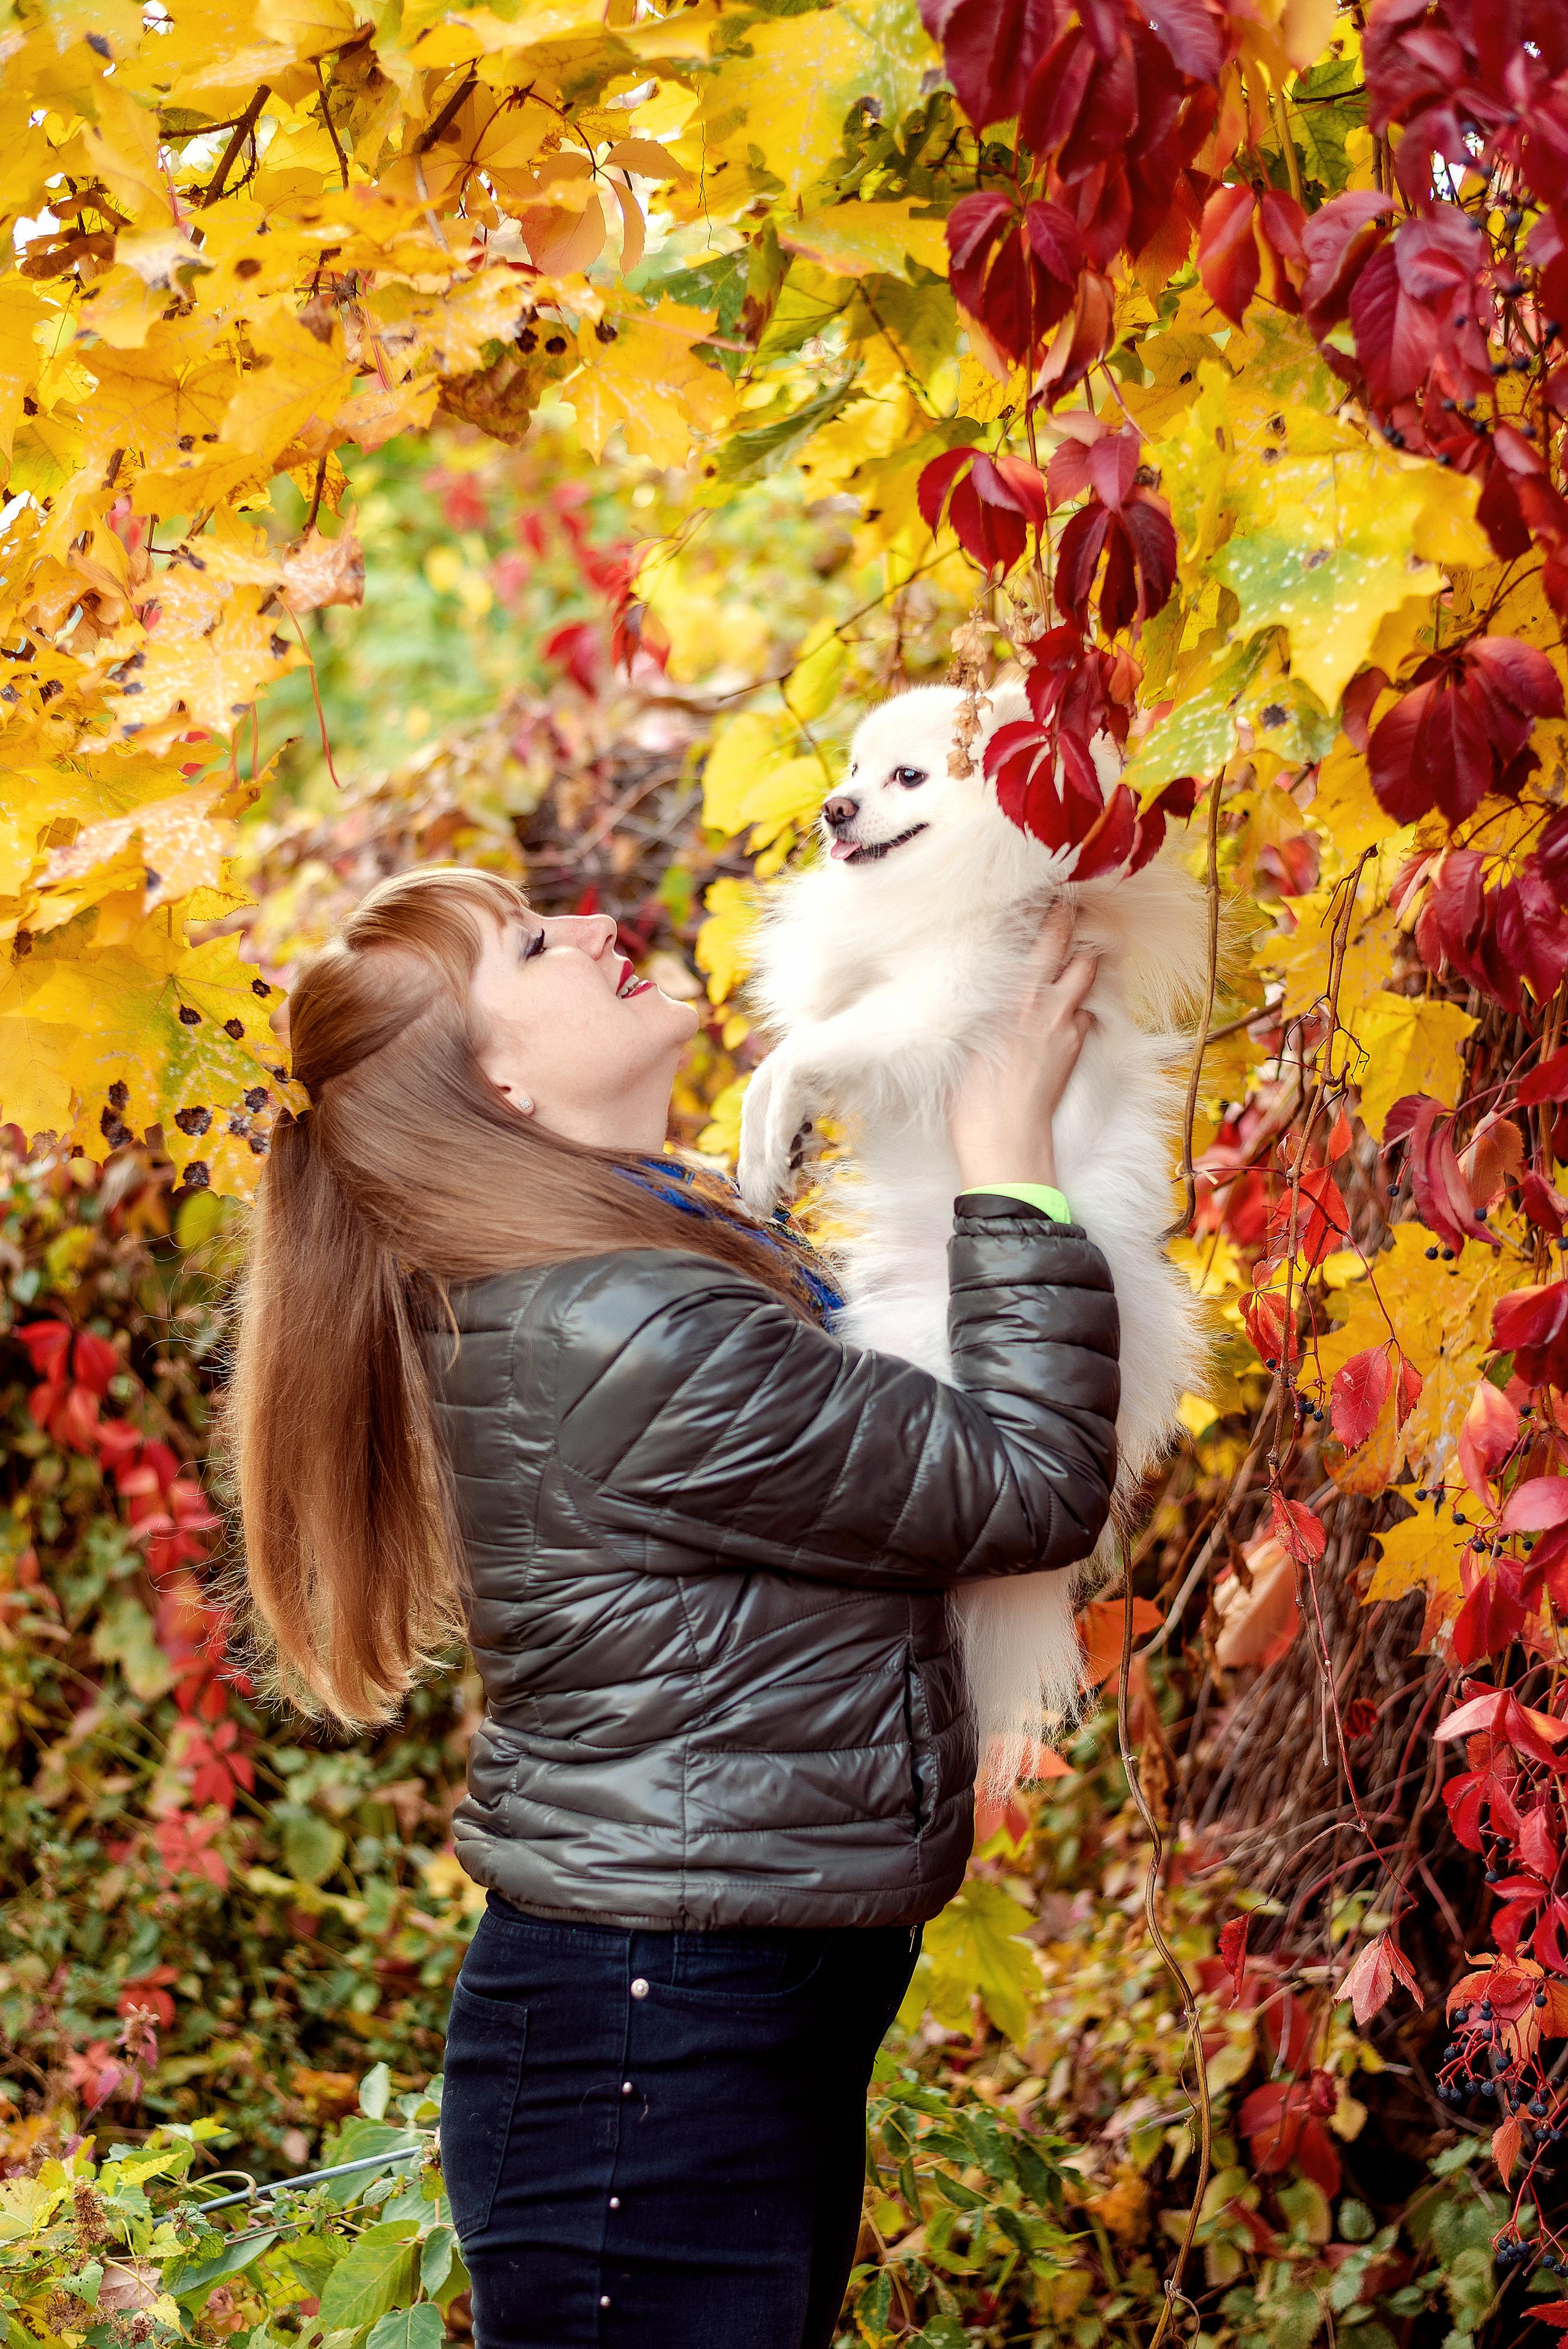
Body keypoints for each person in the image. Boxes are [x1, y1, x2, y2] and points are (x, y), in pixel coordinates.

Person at [229, 865, 1118, 2349]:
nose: (592, 923)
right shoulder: (624, 1323)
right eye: (530, 944)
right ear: (495, 1083)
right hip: (658, 2045)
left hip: (690, 2014)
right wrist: (1006, 1155)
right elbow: (1023, 1486)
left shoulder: (641, 1259)